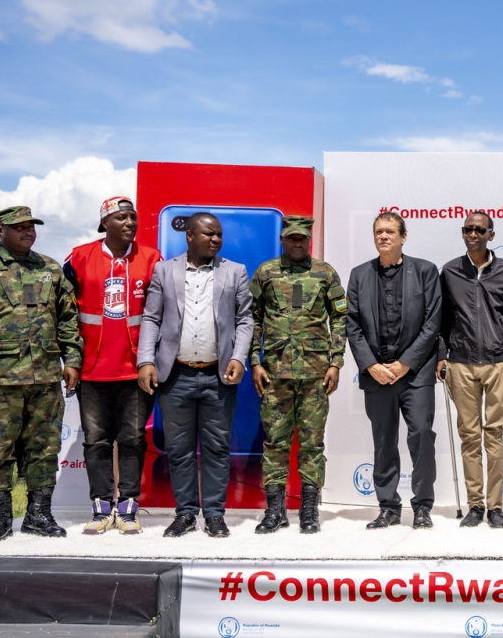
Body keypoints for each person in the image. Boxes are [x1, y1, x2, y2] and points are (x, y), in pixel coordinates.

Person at [137, 212, 253, 538]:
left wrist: (239, 358)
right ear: (190, 236)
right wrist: (146, 360)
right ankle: (186, 514)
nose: (216, 239)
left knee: (217, 449)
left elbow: (245, 320)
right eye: (208, 234)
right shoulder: (164, 270)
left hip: (219, 377)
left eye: (219, 235)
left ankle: (215, 515)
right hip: (176, 376)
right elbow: (151, 319)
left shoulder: (235, 272)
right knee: (179, 450)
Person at [64, 196, 161, 535]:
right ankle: (101, 507)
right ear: (104, 223)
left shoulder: (151, 258)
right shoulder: (78, 258)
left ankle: (129, 506)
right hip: (91, 370)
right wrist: (71, 361)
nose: (130, 223)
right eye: (121, 218)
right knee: (96, 440)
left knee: (133, 438)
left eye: (133, 217)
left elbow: (161, 313)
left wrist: (151, 361)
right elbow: (63, 313)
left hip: (136, 371)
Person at [0, 206, 82, 542]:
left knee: (44, 449)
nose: (28, 232)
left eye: (31, 226)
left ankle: (38, 516)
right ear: (0, 230)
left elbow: (68, 319)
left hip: (44, 377)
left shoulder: (50, 268)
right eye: (19, 227)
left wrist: (72, 360)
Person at [249, 216, 347, 535]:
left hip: (315, 375)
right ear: (282, 239)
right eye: (291, 238)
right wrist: (255, 361)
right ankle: (275, 510)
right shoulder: (265, 273)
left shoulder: (324, 272)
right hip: (275, 373)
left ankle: (308, 510)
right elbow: (254, 319)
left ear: (309, 239)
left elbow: (340, 319)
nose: (297, 243)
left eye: (302, 239)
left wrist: (335, 363)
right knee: (275, 443)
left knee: (312, 445)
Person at [345, 211, 442, 530]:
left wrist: (405, 363)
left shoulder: (426, 271)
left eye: (389, 231)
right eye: (377, 231)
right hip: (377, 376)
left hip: (416, 375)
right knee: (384, 441)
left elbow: (432, 324)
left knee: (422, 436)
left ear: (403, 236)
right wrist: (371, 365)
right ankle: (388, 506)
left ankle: (423, 506)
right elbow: (352, 324)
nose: (382, 236)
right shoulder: (359, 275)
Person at [436, 211, 503, 529]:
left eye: (479, 230)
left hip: (499, 362)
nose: (473, 234)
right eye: (468, 229)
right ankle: (475, 505)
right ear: (462, 233)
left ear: (491, 235)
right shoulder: (450, 271)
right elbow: (441, 320)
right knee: (469, 437)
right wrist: (441, 356)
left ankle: (495, 507)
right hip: (461, 363)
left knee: (494, 436)